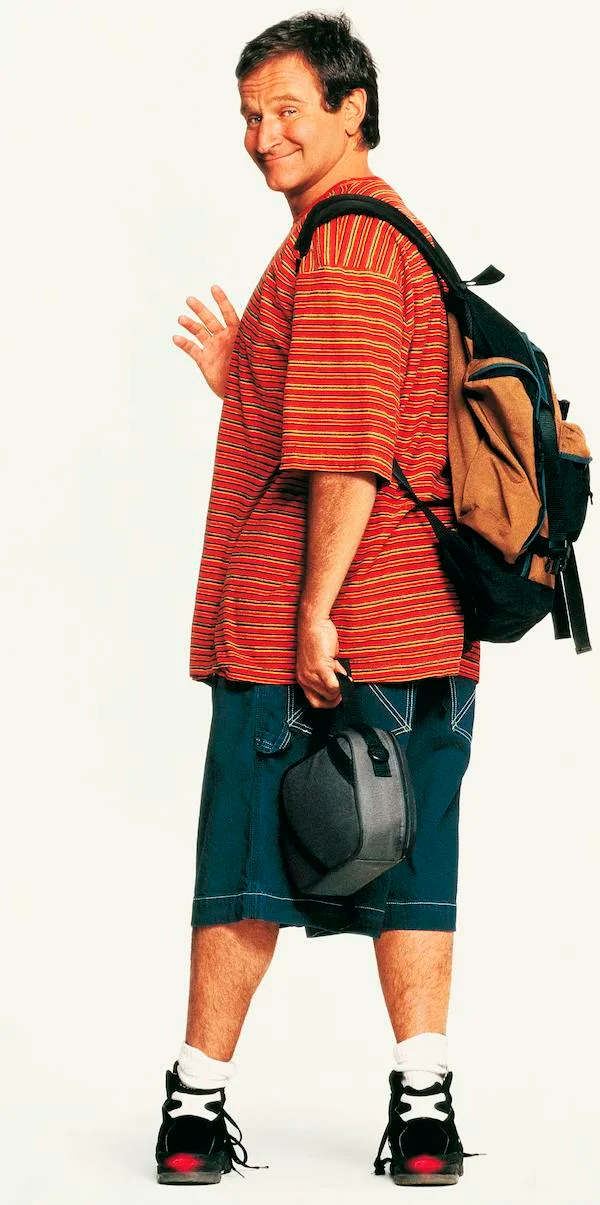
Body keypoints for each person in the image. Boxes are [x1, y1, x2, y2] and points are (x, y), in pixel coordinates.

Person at [155, 10, 480, 1189]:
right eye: (249, 114)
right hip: (424, 620)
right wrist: (244, 379)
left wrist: (311, 614)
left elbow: (347, 451)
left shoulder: (341, 243)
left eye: (288, 108)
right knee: (415, 858)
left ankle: (193, 1112)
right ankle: (425, 1112)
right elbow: (366, 412)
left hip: (323, 624)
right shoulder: (396, 237)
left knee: (246, 855)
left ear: (352, 109)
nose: (262, 134)